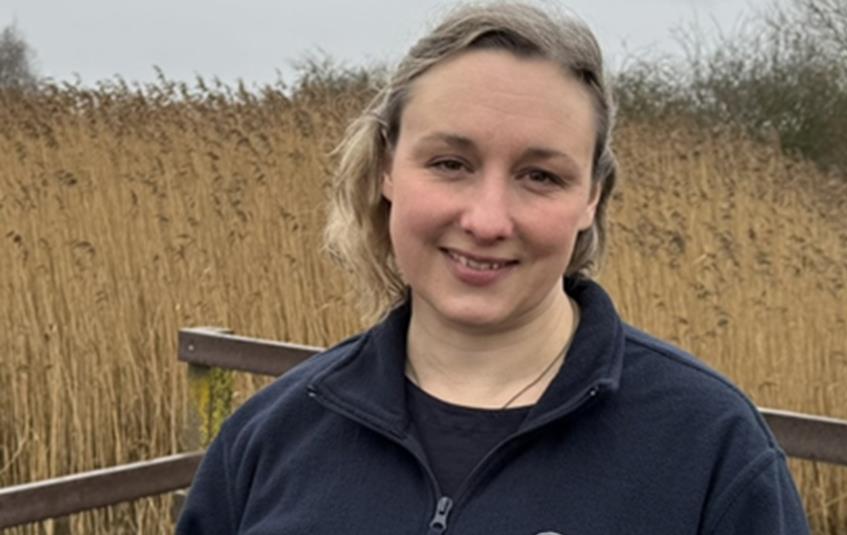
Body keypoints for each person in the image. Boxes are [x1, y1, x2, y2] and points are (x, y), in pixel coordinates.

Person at [177, 2, 810, 533]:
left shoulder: (709, 449)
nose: (487, 220)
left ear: (592, 197)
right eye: (451, 163)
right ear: (386, 170)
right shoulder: (268, 440)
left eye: (541, 176)